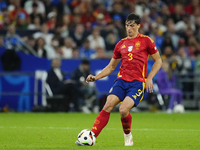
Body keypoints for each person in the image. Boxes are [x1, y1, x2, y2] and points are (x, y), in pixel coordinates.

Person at [75, 13, 162, 146]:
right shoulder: (120, 44)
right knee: (108, 105)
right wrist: (95, 77)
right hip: (121, 81)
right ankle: (92, 136)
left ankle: (128, 136)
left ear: (139, 26)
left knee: (123, 110)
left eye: (132, 26)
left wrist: (149, 78)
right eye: (127, 25)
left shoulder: (146, 41)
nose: (129, 28)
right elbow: (111, 67)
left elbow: (158, 61)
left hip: (137, 83)